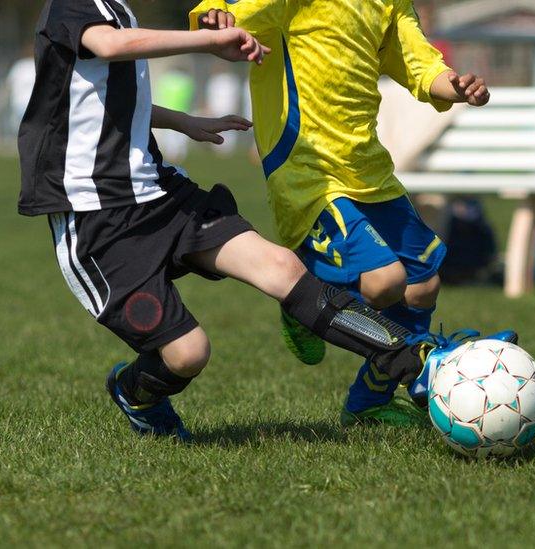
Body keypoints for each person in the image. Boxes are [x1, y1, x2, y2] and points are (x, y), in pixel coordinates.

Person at [18, 0, 458, 441]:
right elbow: (110, 46)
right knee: (188, 354)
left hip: (160, 192)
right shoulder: (72, 5)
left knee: (284, 268)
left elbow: (108, 100)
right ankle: (136, 393)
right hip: (97, 215)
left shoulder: (116, 7)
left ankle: (411, 358)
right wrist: (209, 40)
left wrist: (184, 122)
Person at [188, 2, 506, 426]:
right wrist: (213, 14)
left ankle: (368, 400)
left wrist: (457, 86)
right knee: (384, 281)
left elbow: (418, 63)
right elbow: (231, 15)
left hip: (369, 169)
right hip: (307, 171)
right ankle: (305, 295)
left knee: (423, 285)